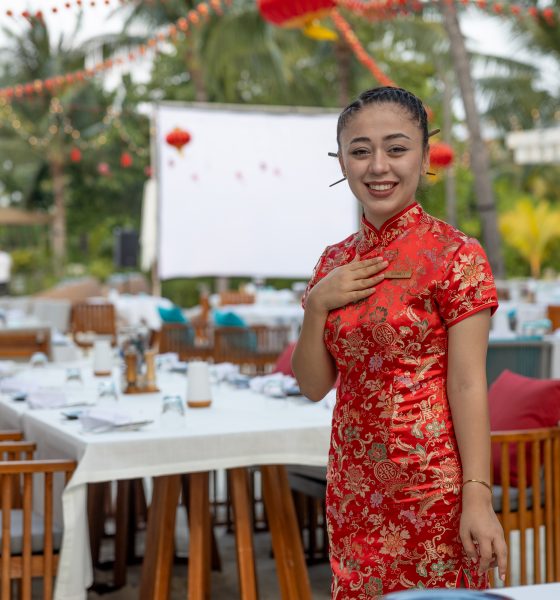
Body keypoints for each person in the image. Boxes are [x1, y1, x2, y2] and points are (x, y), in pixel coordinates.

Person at [292, 86, 507, 597]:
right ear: (341, 162)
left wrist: (477, 495)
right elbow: (313, 386)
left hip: (433, 489)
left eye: (396, 148)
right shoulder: (332, 261)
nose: (377, 166)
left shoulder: (456, 255)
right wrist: (317, 304)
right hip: (353, 486)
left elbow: (468, 384)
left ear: (424, 157)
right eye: (360, 151)